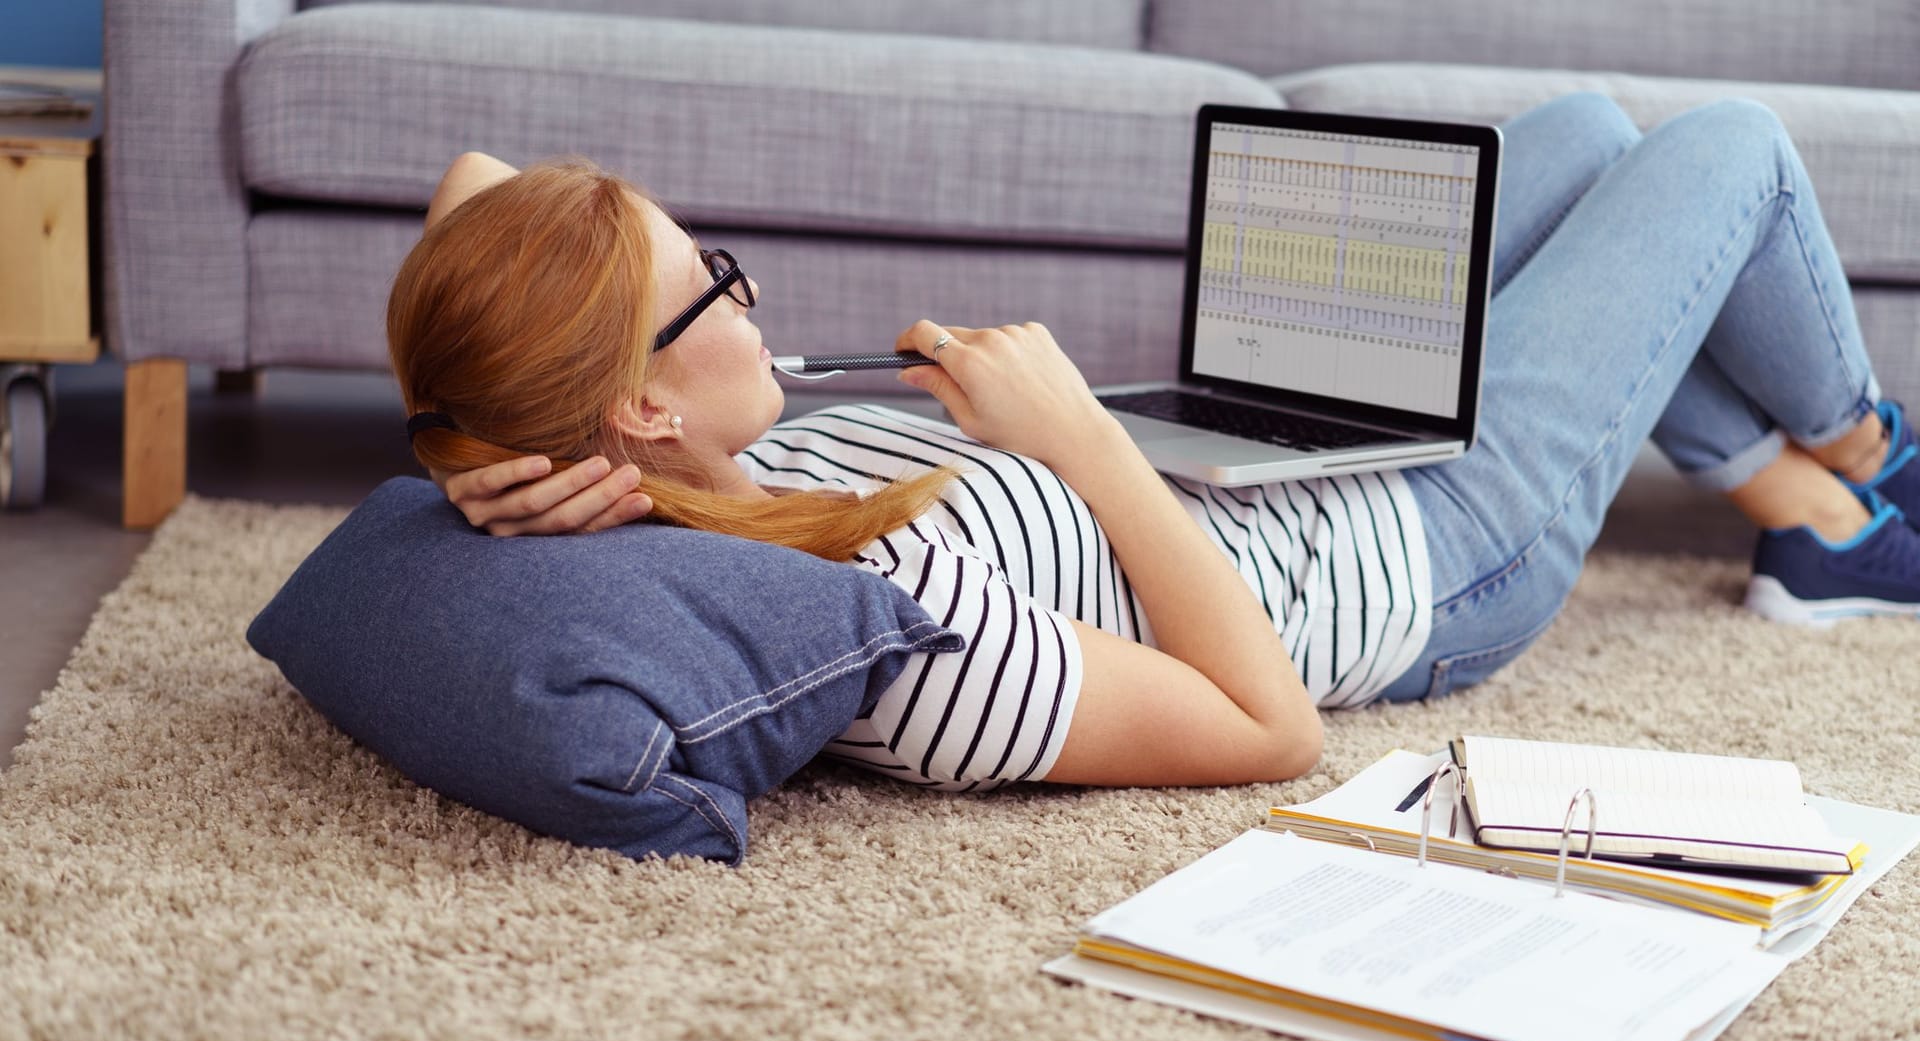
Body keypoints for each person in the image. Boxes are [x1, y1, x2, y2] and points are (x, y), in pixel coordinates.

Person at [390, 92, 1918, 793]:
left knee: (1586, 136)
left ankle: (1796, 509)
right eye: (715, 281)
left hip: (1261, 476)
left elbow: (478, 188)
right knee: (1727, 152)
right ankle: (1862, 456)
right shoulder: (897, 629)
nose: (752, 285)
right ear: (642, 403)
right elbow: (1270, 730)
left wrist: (468, 458)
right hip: (1418, 561)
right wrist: (1081, 441)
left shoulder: (684, 477)